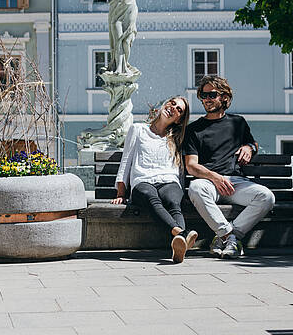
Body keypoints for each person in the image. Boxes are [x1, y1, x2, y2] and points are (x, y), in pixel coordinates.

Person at [184, 75, 275, 259]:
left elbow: (252, 143)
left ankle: (227, 237)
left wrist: (250, 147)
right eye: (203, 95)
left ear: (224, 97)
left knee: (267, 197)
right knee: (195, 188)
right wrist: (214, 177)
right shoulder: (193, 130)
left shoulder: (237, 123)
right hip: (209, 183)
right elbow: (191, 166)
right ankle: (229, 236)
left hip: (236, 183)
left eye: (212, 95)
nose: (207, 99)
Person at [112, 96, 198, 263]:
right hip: (142, 182)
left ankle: (179, 245)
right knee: (151, 197)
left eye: (179, 109)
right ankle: (182, 235)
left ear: (179, 120)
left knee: (174, 202)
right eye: (172, 103)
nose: (173, 108)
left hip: (169, 181)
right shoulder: (137, 129)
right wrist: (121, 192)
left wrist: (180, 192)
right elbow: (126, 161)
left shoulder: (176, 138)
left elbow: (179, 169)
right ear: (165, 103)